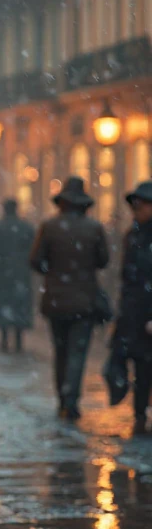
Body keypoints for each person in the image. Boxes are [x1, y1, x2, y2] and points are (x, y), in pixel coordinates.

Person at [30, 176, 109, 421]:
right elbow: (103, 260)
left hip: (56, 300)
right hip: (84, 300)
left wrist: (53, 273)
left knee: (60, 351)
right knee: (78, 352)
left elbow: (35, 260)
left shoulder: (49, 226)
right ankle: (72, 398)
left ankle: (63, 398)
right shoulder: (94, 228)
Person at [111, 181, 152, 433]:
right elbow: (128, 276)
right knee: (141, 362)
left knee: (145, 363)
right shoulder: (133, 234)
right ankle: (139, 413)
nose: (136, 210)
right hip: (135, 311)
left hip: (147, 310)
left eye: (141, 205)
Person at [0, 199, 34, 353]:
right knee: (19, 305)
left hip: (2, 272)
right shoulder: (26, 228)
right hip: (21, 273)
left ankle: (4, 338)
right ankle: (19, 339)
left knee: (3, 304)